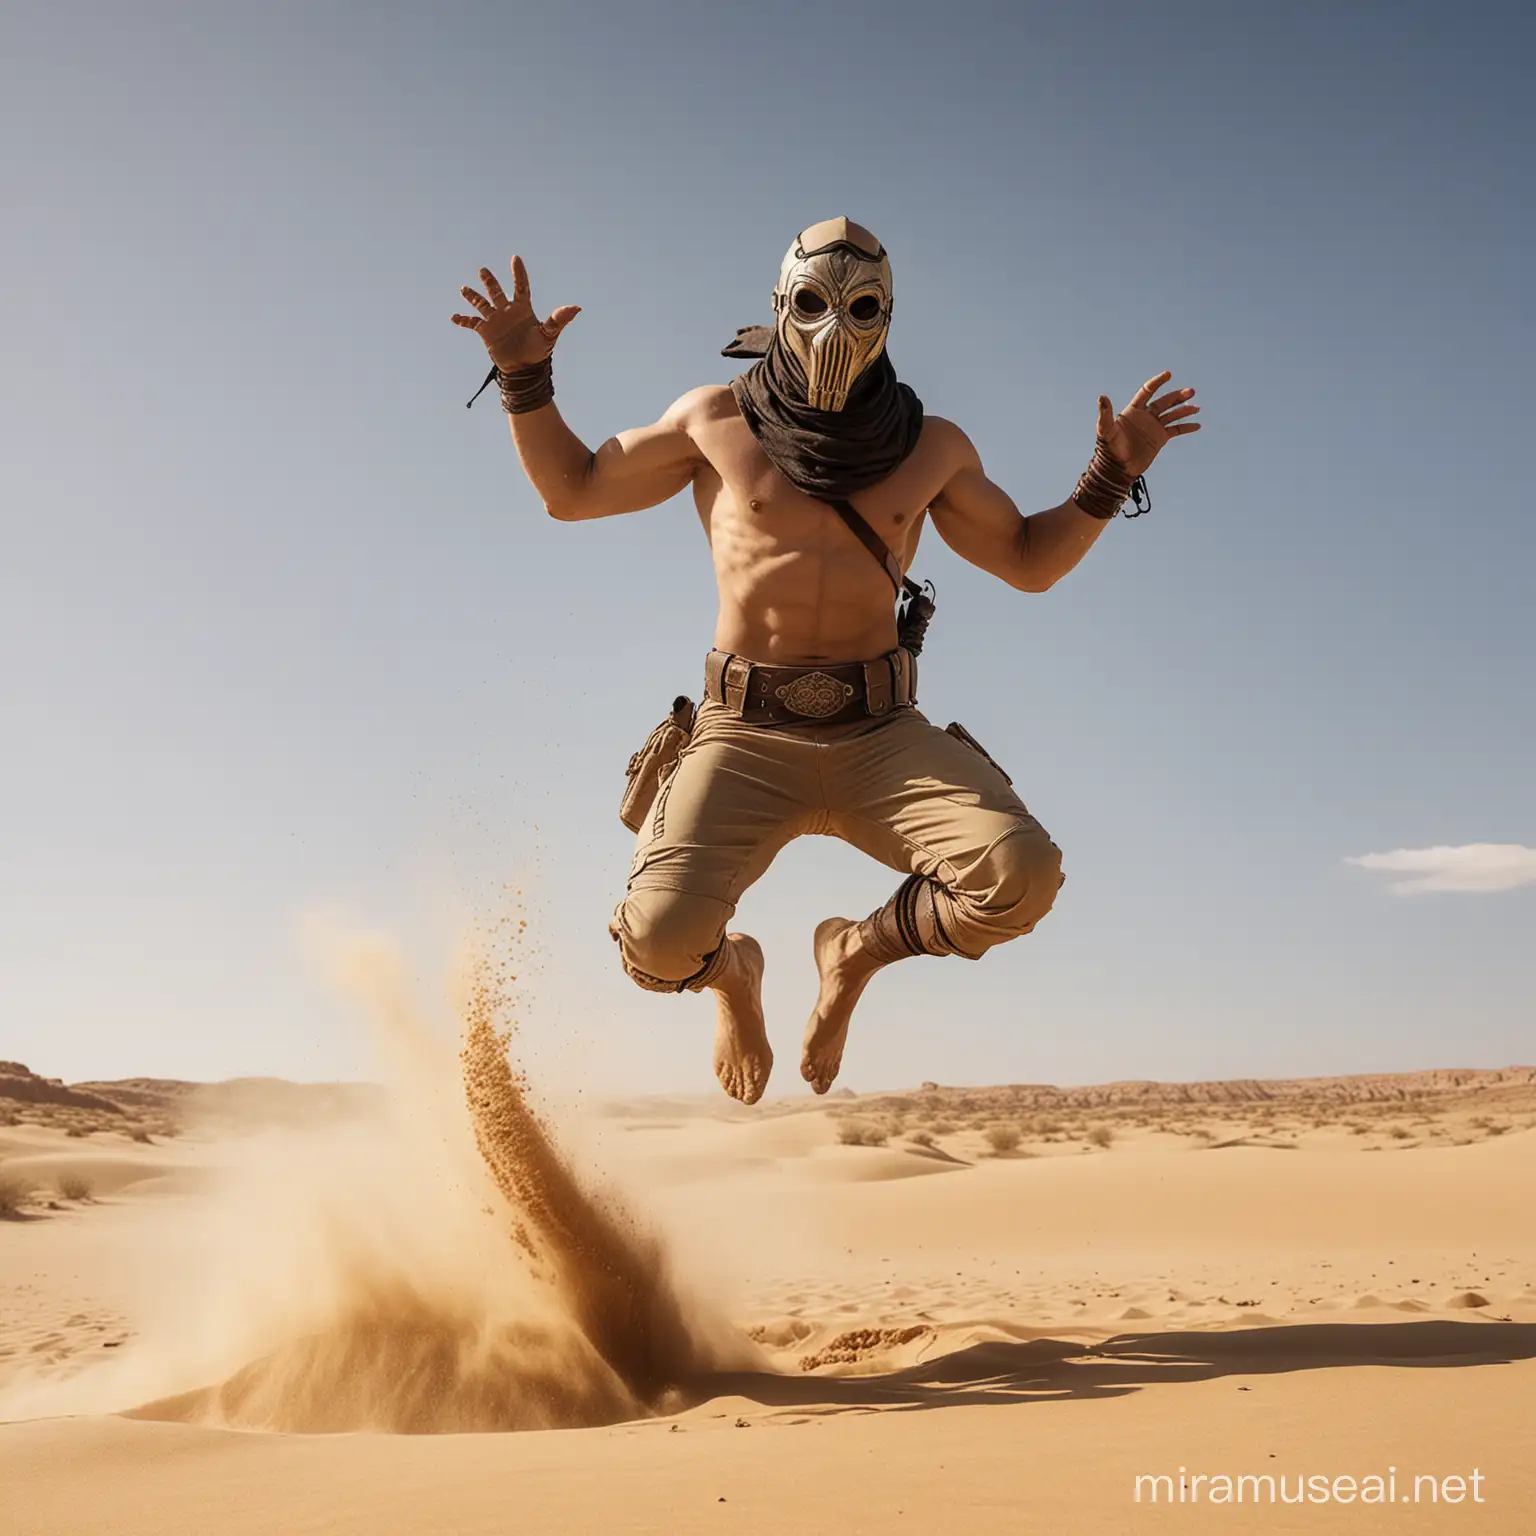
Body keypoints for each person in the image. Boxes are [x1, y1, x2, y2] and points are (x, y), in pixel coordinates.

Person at [451, 218, 1200, 1105]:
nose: (834, 328)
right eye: (811, 304)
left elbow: (1029, 562)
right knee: (654, 945)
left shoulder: (931, 447)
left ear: (889, 318)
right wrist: (523, 373)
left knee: (1021, 878)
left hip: (880, 734)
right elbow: (571, 492)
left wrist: (1108, 477)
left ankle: (854, 952)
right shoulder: (713, 420)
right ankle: (736, 977)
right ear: (780, 303)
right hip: (742, 736)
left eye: (862, 306)